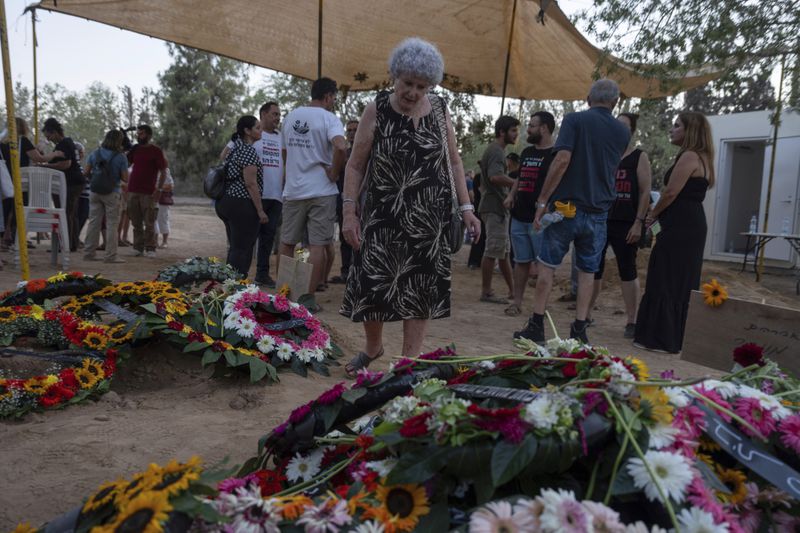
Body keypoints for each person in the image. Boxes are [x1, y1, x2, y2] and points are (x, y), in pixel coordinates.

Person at [340, 37, 480, 373]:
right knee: (373, 286)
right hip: (382, 215)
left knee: (419, 289)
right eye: (408, 84)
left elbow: (455, 162)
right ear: (394, 77)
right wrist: (348, 213)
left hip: (429, 218)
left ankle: (407, 363)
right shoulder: (377, 108)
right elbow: (355, 165)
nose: (413, 93)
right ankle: (374, 347)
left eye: (421, 86)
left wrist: (466, 207)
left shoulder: (441, 109)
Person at [514, 79, 630, 344]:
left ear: (589, 98)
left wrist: (542, 201)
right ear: (615, 102)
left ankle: (536, 325)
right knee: (587, 272)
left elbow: (562, 160)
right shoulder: (623, 132)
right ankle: (579, 329)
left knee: (547, 267)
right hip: (599, 212)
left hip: (565, 209)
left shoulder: (574, 121)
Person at [634, 112, 715, 354]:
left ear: (690, 131)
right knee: (681, 278)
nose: (672, 129)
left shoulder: (690, 156)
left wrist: (653, 214)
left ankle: (660, 337)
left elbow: (670, 193)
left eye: (677, 125)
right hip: (691, 224)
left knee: (666, 275)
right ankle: (673, 335)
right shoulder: (704, 158)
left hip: (680, 225)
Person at [279, 77, 348, 303]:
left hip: (294, 190)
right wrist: (334, 173)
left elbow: (285, 153)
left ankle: (284, 295)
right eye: (333, 98)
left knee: (287, 243)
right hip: (322, 190)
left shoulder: (290, 117)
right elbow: (340, 146)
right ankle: (306, 299)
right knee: (317, 246)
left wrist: (290, 177)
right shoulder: (330, 119)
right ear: (328, 96)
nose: (333, 102)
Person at [588, 113, 652, 338]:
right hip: (600, 219)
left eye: (624, 125)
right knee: (593, 268)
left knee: (627, 269)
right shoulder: (605, 154)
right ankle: (585, 315)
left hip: (626, 223)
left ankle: (632, 321)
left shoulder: (638, 156)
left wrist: (638, 223)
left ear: (632, 130)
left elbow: (645, 192)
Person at [503, 111, 556, 316]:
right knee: (521, 261)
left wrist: (548, 208)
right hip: (518, 215)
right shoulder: (526, 153)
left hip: (540, 220)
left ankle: (539, 309)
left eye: (532, 126)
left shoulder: (556, 154)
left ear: (543, 128)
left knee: (543, 265)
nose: (528, 129)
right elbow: (520, 177)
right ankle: (516, 302)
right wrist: (511, 195)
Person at [215, 116, 269, 277]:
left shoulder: (235, 149)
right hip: (241, 204)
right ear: (247, 131)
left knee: (235, 246)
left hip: (226, 201)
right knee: (242, 248)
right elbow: (251, 184)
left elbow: (221, 157)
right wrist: (260, 211)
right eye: (258, 128)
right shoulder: (247, 151)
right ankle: (236, 287)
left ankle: (231, 284)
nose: (261, 131)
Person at [0, 118, 63, 249]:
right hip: (19, 180)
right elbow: (38, 158)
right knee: (19, 210)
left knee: (6, 209)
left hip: (4, 179)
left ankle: (5, 238)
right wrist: (55, 154)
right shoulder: (22, 141)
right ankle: (16, 238)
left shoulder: (2, 141)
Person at [478, 116, 520, 304]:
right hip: (494, 207)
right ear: (502, 132)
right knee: (493, 250)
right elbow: (495, 177)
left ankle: (513, 291)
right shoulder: (496, 151)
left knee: (502, 252)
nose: (516, 134)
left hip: (498, 208)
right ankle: (486, 292)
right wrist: (517, 182)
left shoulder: (497, 150)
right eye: (513, 130)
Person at [82, 130, 129, 263]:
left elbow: (86, 172)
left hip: (94, 191)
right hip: (112, 192)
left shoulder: (95, 153)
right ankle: (110, 256)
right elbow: (125, 178)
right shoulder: (121, 157)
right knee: (112, 224)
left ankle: (89, 253)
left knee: (93, 222)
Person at [40, 118, 86, 252]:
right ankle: (71, 243)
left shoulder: (63, 144)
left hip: (71, 183)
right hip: (75, 182)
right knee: (71, 214)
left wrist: (46, 166)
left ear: (54, 132)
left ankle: (64, 243)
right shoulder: (67, 143)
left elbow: (66, 164)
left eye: (48, 136)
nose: (48, 139)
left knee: (65, 213)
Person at [126, 125, 167, 257]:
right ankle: (138, 247)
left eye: (142, 134)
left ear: (149, 135)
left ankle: (150, 248)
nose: (139, 136)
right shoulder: (135, 149)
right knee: (136, 221)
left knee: (149, 221)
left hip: (148, 192)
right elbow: (125, 164)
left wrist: (159, 189)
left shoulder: (156, 151)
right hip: (132, 190)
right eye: (138, 134)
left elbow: (163, 172)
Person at [329, 119, 359, 285]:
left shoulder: (368, 151)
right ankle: (346, 272)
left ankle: (359, 272)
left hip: (363, 201)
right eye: (349, 130)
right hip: (344, 200)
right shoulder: (343, 153)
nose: (352, 133)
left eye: (355, 129)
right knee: (345, 236)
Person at [467, 170, 486, 269]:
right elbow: (481, 191)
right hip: (480, 208)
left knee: (481, 236)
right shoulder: (480, 177)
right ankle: (474, 261)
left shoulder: (480, 176)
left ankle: (476, 261)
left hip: (480, 208)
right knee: (479, 236)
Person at [154, 162, 175, 248]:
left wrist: (158, 188)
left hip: (162, 199)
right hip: (152, 198)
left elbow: (170, 186)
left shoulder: (166, 171)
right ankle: (154, 241)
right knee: (153, 219)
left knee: (163, 218)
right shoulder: (150, 170)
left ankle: (164, 241)